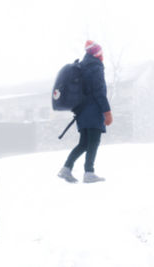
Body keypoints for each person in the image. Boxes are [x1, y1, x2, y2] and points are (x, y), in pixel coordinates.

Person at [57, 40, 113, 183]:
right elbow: (99, 91)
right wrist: (107, 111)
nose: (102, 55)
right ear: (96, 53)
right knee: (93, 142)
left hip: (82, 112)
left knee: (84, 143)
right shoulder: (95, 67)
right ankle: (89, 173)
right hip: (93, 111)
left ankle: (66, 168)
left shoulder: (82, 67)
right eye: (100, 52)